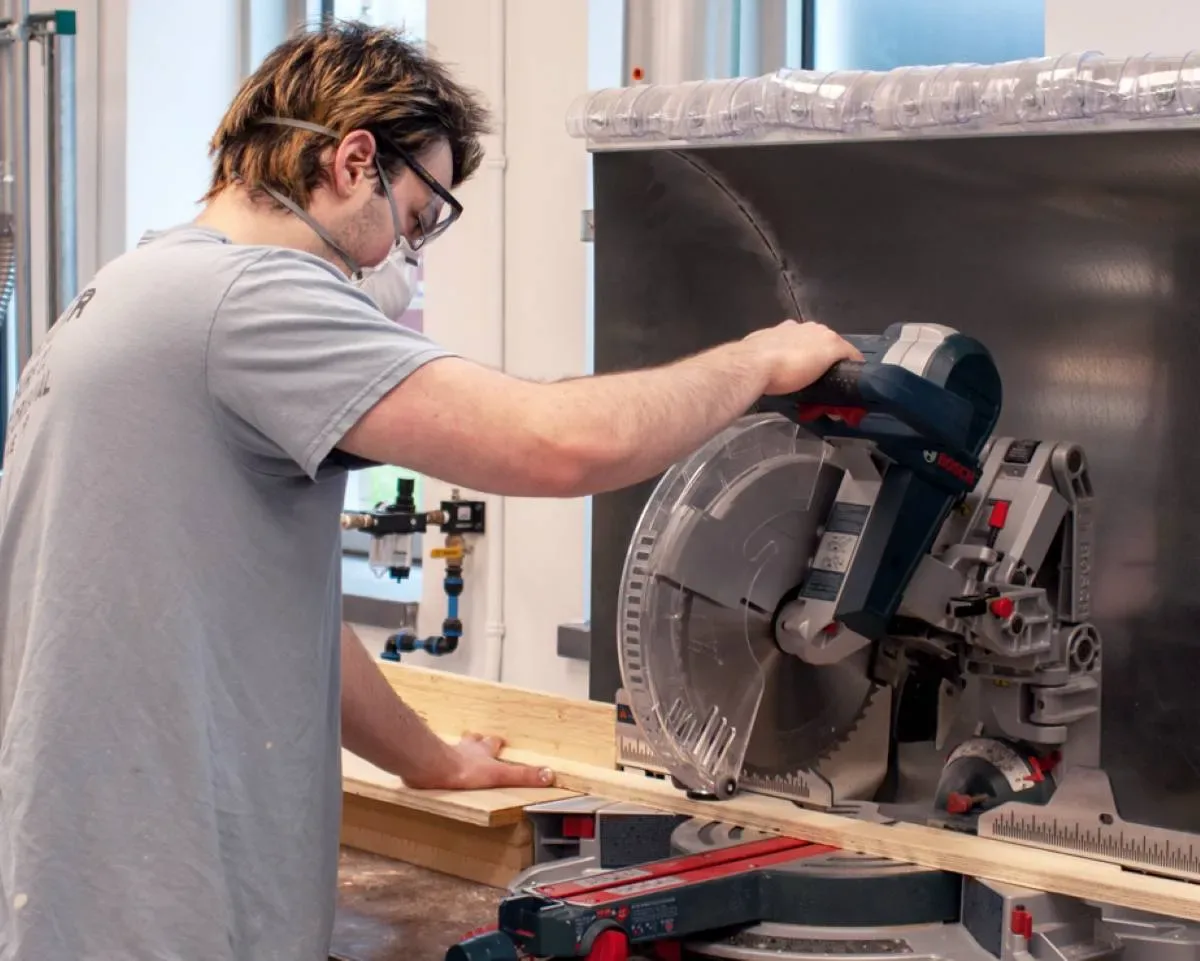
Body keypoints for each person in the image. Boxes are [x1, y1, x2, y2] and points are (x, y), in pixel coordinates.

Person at [0, 19, 862, 961]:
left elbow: (275, 614)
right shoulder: (253, 299)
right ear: (354, 160)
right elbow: (555, 445)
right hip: (157, 903)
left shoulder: (135, 287)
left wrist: (432, 761)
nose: (405, 257)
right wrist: (759, 359)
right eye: (417, 220)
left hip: (88, 877)